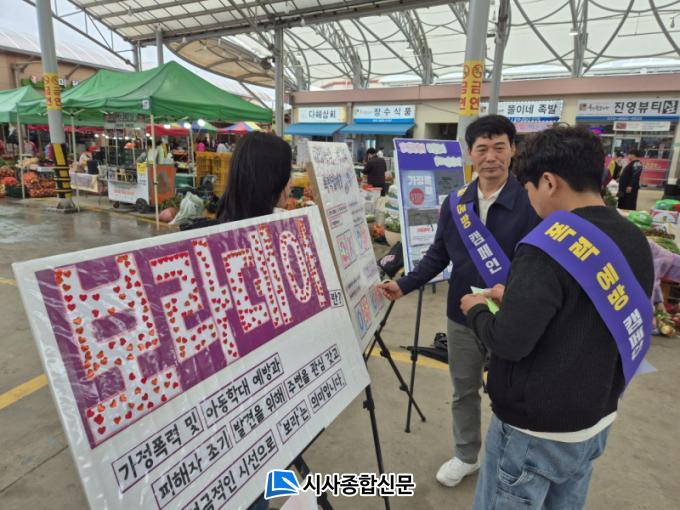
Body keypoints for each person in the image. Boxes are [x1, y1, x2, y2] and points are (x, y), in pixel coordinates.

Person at [460, 126, 653, 509]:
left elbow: (509, 341)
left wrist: (476, 310)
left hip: (534, 430)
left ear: (548, 182)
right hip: (594, 419)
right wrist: (516, 298)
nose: (529, 199)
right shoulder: (631, 237)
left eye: (529, 188)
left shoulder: (546, 246)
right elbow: (582, 309)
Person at [378, 114, 539, 488]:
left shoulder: (531, 202)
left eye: (499, 147)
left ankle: (509, 460)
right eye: (482, 149)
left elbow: (540, 264)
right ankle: (467, 456)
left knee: (510, 393)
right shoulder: (456, 203)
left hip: (511, 316)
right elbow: (439, 254)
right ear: (470, 154)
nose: (490, 157)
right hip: (462, 315)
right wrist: (406, 284)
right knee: (463, 390)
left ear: (512, 151)